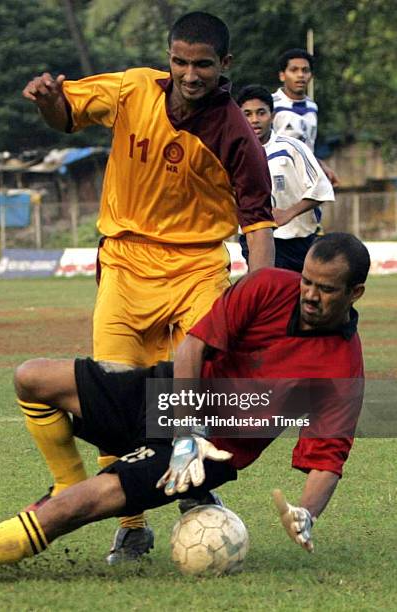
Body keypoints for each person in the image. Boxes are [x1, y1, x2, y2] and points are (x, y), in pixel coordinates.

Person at [0, 233, 370, 584]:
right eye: (308, 280)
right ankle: (66, 478)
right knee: (31, 377)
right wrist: (181, 430)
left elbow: (326, 458)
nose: (309, 294)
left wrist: (308, 511)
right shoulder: (268, 287)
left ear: (355, 294)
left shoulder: (341, 371)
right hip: (172, 398)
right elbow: (191, 349)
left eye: (326, 289)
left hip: (209, 455)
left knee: (78, 507)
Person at [20, 11, 275, 563]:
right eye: (180, 61)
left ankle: (192, 489)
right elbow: (66, 115)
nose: (189, 73)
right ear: (169, 58)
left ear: (224, 66)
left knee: (197, 390)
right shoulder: (134, 89)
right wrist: (46, 100)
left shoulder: (235, 132)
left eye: (202, 64)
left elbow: (257, 222)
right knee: (113, 399)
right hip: (126, 264)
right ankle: (132, 526)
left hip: (198, 269)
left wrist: (258, 292)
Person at [237, 85, 335, 272]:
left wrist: (288, 213)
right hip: (254, 239)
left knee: (299, 297)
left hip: (297, 242)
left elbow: (322, 189)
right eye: (247, 114)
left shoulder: (292, 148)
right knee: (264, 295)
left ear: (273, 116)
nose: (255, 120)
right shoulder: (234, 155)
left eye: (261, 113)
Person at [272, 48, 338, 187]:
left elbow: (308, 147)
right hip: (278, 177)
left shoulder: (312, 107)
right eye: (294, 70)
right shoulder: (270, 105)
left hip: (305, 179)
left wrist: (321, 165)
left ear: (311, 76)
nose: (300, 75)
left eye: (305, 70)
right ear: (282, 75)